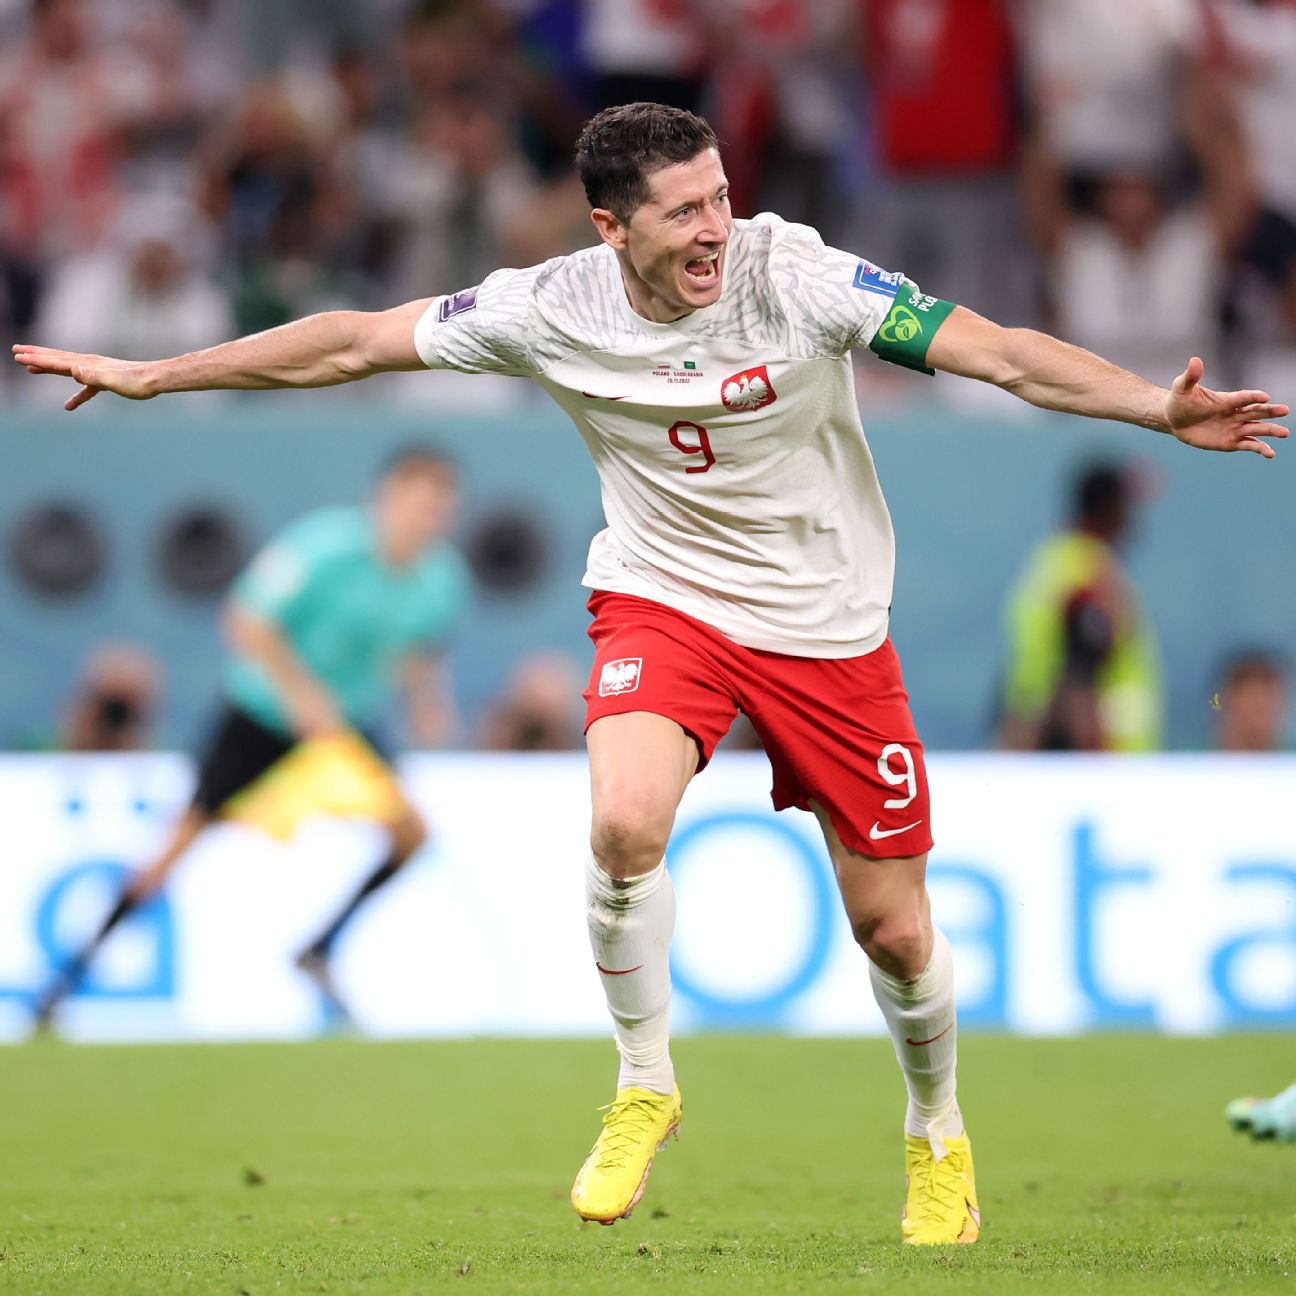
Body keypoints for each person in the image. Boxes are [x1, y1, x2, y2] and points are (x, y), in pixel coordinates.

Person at [13, 102, 1288, 1245]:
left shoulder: (799, 274)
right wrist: (154, 374)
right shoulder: (547, 304)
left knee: (895, 932)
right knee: (623, 823)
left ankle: (937, 1131)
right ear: (610, 225)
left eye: (722, 194)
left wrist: (1151, 409)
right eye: (685, 210)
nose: (716, 227)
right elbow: (353, 342)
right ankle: (643, 1085)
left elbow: (998, 351)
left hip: (830, 622)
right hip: (665, 598)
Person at [30, 447, 468, 1027]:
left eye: (439, 506)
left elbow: (418, 652)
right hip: (262, 715)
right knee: (174, 852)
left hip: (341, 729)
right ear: (386, 495)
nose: (427, 517)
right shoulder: (325, 546)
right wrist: (298, 694)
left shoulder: (440, 580)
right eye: (418, 501)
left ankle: (319, 950)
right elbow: (246, 618)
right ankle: (66, 981)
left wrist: (427, 703)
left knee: (410, 834)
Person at [997, 462, 1165, 752]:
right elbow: (1080, 667)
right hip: (1099, 761)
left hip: (1054, 745)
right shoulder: (1091, 576)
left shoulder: (1054, 561)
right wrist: (1091, 752)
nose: (1133, 520)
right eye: (1127, 506)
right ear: (1110, 507)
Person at [1212, 648, 1290, 752]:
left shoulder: (1290, 763)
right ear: (1227, 703)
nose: (1258, 718)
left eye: (1265, 709)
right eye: (1254, 708)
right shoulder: (1190, 763)